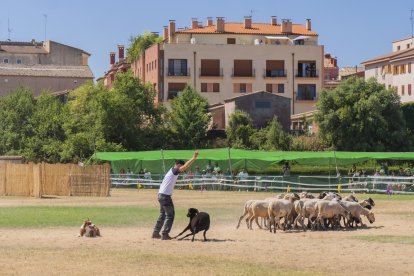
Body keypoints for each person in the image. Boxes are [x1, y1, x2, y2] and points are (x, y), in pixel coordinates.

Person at [152, 151, 198, 240]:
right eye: (181, 166)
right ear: (178, 165)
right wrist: (193, 158)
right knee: (170, 215)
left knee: (162, 215)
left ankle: (155, 233)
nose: (182, 169)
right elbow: (185, 167)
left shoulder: (171, 171)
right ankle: (165, 234)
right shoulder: (174, 170)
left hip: (161, 195)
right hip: (165, 196)